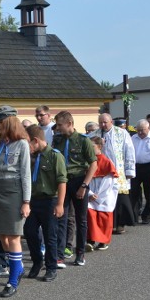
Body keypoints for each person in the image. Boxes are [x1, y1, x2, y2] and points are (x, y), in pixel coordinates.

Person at [0, 106, 31, 297]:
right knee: (3, 238)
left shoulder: (22, 145)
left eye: (0, 122)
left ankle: (12, 280)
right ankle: (17, 268)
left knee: (13, 237)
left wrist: (26, 201)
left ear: (9, 122)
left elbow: (26, 175)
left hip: (14, 192)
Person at [52, 111, 97, 267]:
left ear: (69, 124)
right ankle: (60, 255)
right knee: (61, 217)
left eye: (60, 125)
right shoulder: (57, 140)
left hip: (79, 181)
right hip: (62, 182)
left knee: (81, 219)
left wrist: (84, 186)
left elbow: (93, 164)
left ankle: (80, 253)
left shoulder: (83, 141)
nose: (57, 128)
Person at [23, 125, 66, 282]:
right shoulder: (29, 157)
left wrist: (60, 204)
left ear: (35, 140)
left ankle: (51, 267)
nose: (26, 147)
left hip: (49, 201)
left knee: (50, 235)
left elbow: (62, 181)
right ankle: (37, 262)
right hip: (33, 201)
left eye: (27, 143)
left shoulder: (55, 156)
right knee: (29, 232)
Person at [96, 114, 136, 234]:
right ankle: (108, 224)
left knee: (120, 198)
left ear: (111, 122)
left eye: (105, 122)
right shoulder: (95, 135)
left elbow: (129, 150)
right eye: (101, 123)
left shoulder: (121, 133)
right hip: (102, 172)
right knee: (105, 198)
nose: (103, 125)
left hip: (118, 170)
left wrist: (129, 170)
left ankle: (120, 223)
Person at [86, 136, 120, 251]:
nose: (90, 149)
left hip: (104, 195)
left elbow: (108, 182)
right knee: (90, 216)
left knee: (103, 219)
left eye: (92, 147)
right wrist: (90, 193)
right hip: (91, 195)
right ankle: (90, 241)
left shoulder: (106, 161)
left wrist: (98, 196)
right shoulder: (88, 161)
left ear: (99, 147)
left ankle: (103, 242)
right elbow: (85, 179)